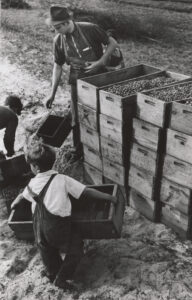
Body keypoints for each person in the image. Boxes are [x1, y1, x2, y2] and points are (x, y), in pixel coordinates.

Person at [11, 136, 116, 290]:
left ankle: (52, 273)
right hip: (58, 227)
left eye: (31, 166)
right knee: (76, 249)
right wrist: (108, 197)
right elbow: (86, 192)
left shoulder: (32, 183)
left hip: (38, 228)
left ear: (35, 167)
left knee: (47, 252)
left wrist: (15, 203)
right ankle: (62, 277)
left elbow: (22, 196)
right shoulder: (62, 179)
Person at [45, 5, 119, 162]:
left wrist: (101, 61)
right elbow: (57, 66)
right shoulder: (58, 40)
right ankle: (78, 149)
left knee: (102, 112)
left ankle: (107, 146)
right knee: (76, 115)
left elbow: (112, 43)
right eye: (54, 27)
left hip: (98, 77)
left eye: (58, 27)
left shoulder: (90, 29)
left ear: (67, 22)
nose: (56, 31)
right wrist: (52, 94)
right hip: (77, 80)